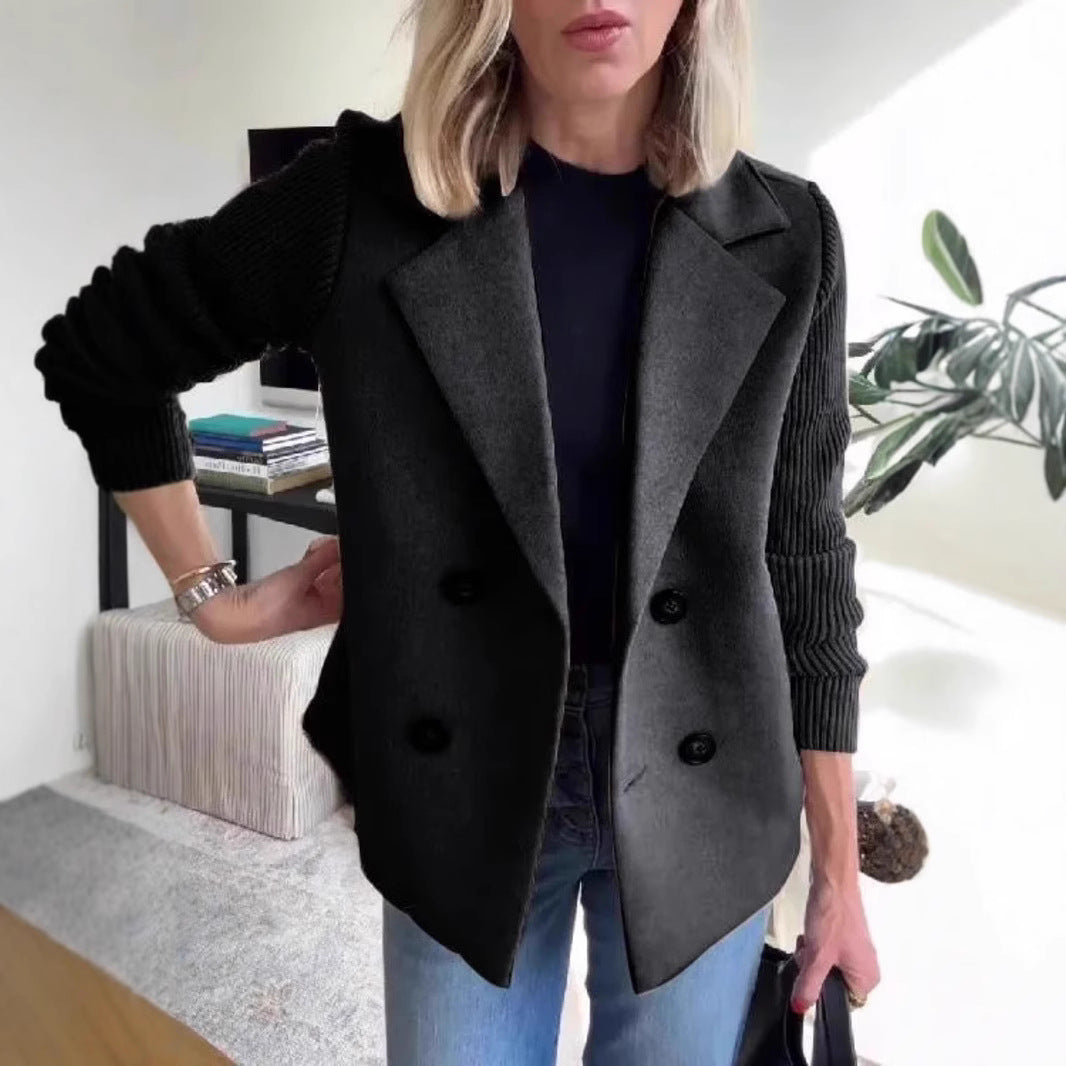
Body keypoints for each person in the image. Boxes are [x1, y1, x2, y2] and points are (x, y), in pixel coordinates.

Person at [32, 0, 881, 1062]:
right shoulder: (359, 204)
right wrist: (215, 601)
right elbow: (103, 352)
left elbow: (804, 556)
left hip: (712, 778)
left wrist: (840, 873)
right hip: (463, 777)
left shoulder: (790, 235)